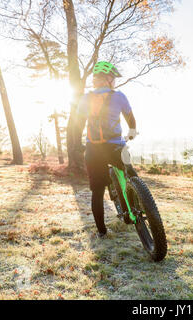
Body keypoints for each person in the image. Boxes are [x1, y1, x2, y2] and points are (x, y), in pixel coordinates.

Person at [76, 61, 137, 237]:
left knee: (97, 191)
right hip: (115, 147)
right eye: (114, 78)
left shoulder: (85, 98)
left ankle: (102, 232)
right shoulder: (119, 96)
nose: (115, 81)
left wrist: (80, 146)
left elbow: (78, 125)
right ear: (108, 79)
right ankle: (138, 206)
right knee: (131, 174)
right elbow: (131, 120)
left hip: (94, 150)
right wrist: (131, 133)